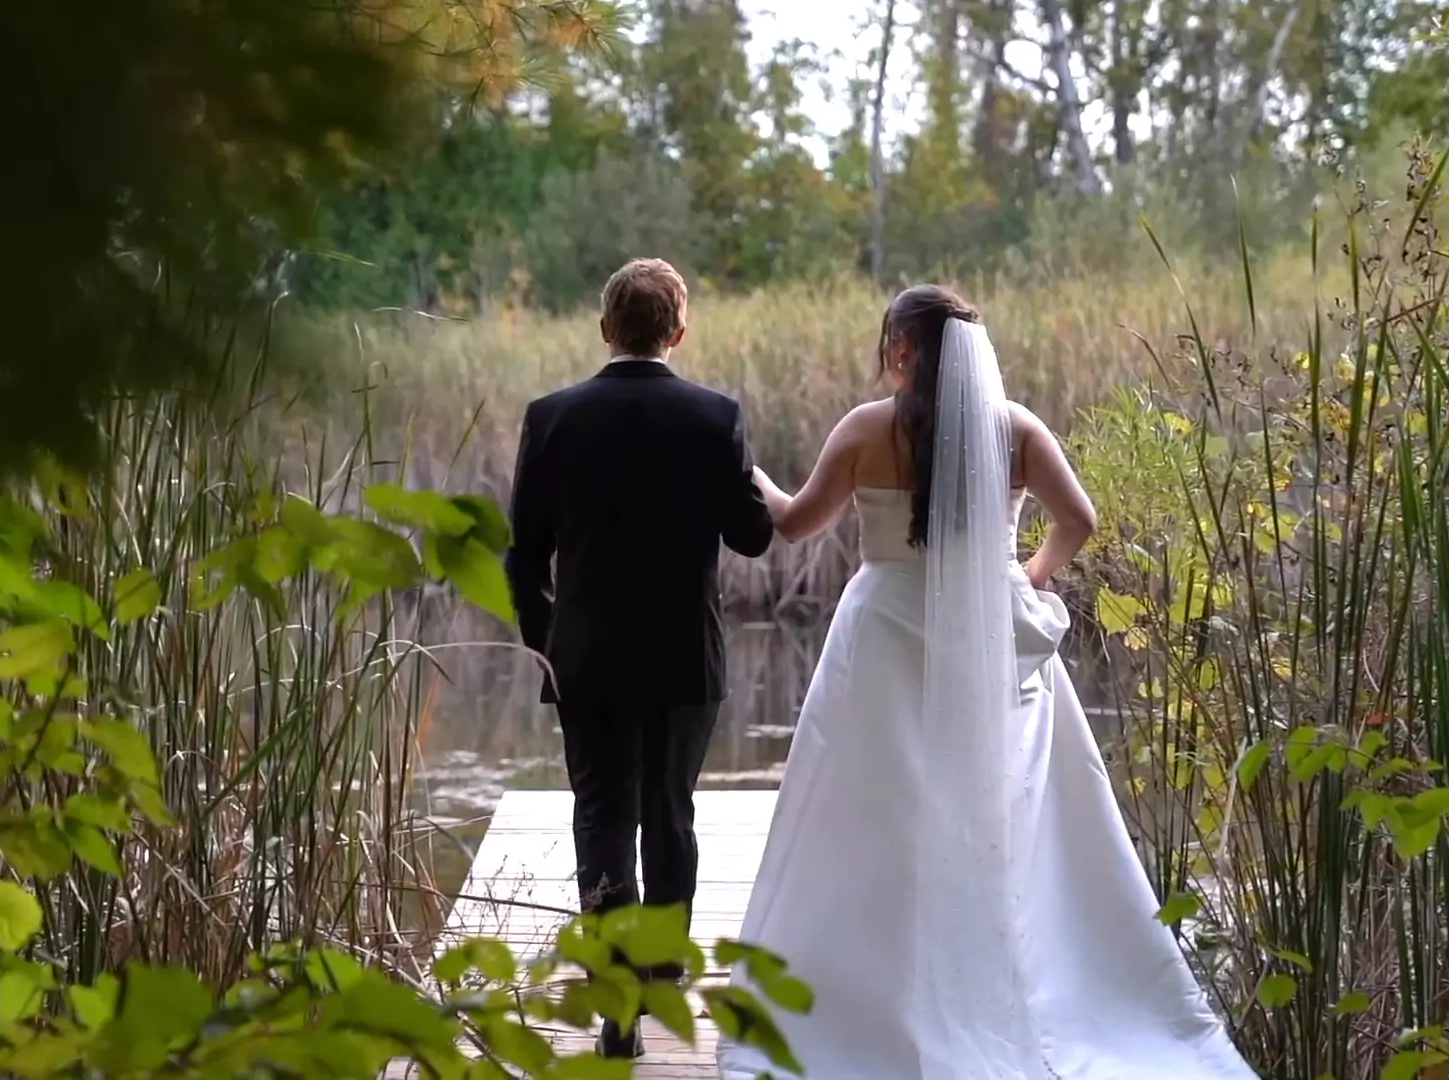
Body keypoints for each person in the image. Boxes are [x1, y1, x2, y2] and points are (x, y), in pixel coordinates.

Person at [715, 285, 1257, 1080]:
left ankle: (868, 998)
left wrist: (754, 476)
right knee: (1006, 812)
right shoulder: (1017, 429)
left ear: (901, 347)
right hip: (989, 638)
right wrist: (1025, 577)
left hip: (884, 631)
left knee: (879, 816)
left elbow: (797, 523)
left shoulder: (866, 429)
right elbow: (1080, 520)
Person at [505, 257, 775, 1059]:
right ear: (678, 332)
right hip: (685, 658)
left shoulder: (551, 417)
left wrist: (542, 639)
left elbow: (526, 555)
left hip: (585, 657)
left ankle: (614, 1008)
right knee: (670, 811)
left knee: (601, 815)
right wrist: (744, 473)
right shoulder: (712, 416)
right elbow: (753, 537)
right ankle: (662, 973)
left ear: (604, 328)